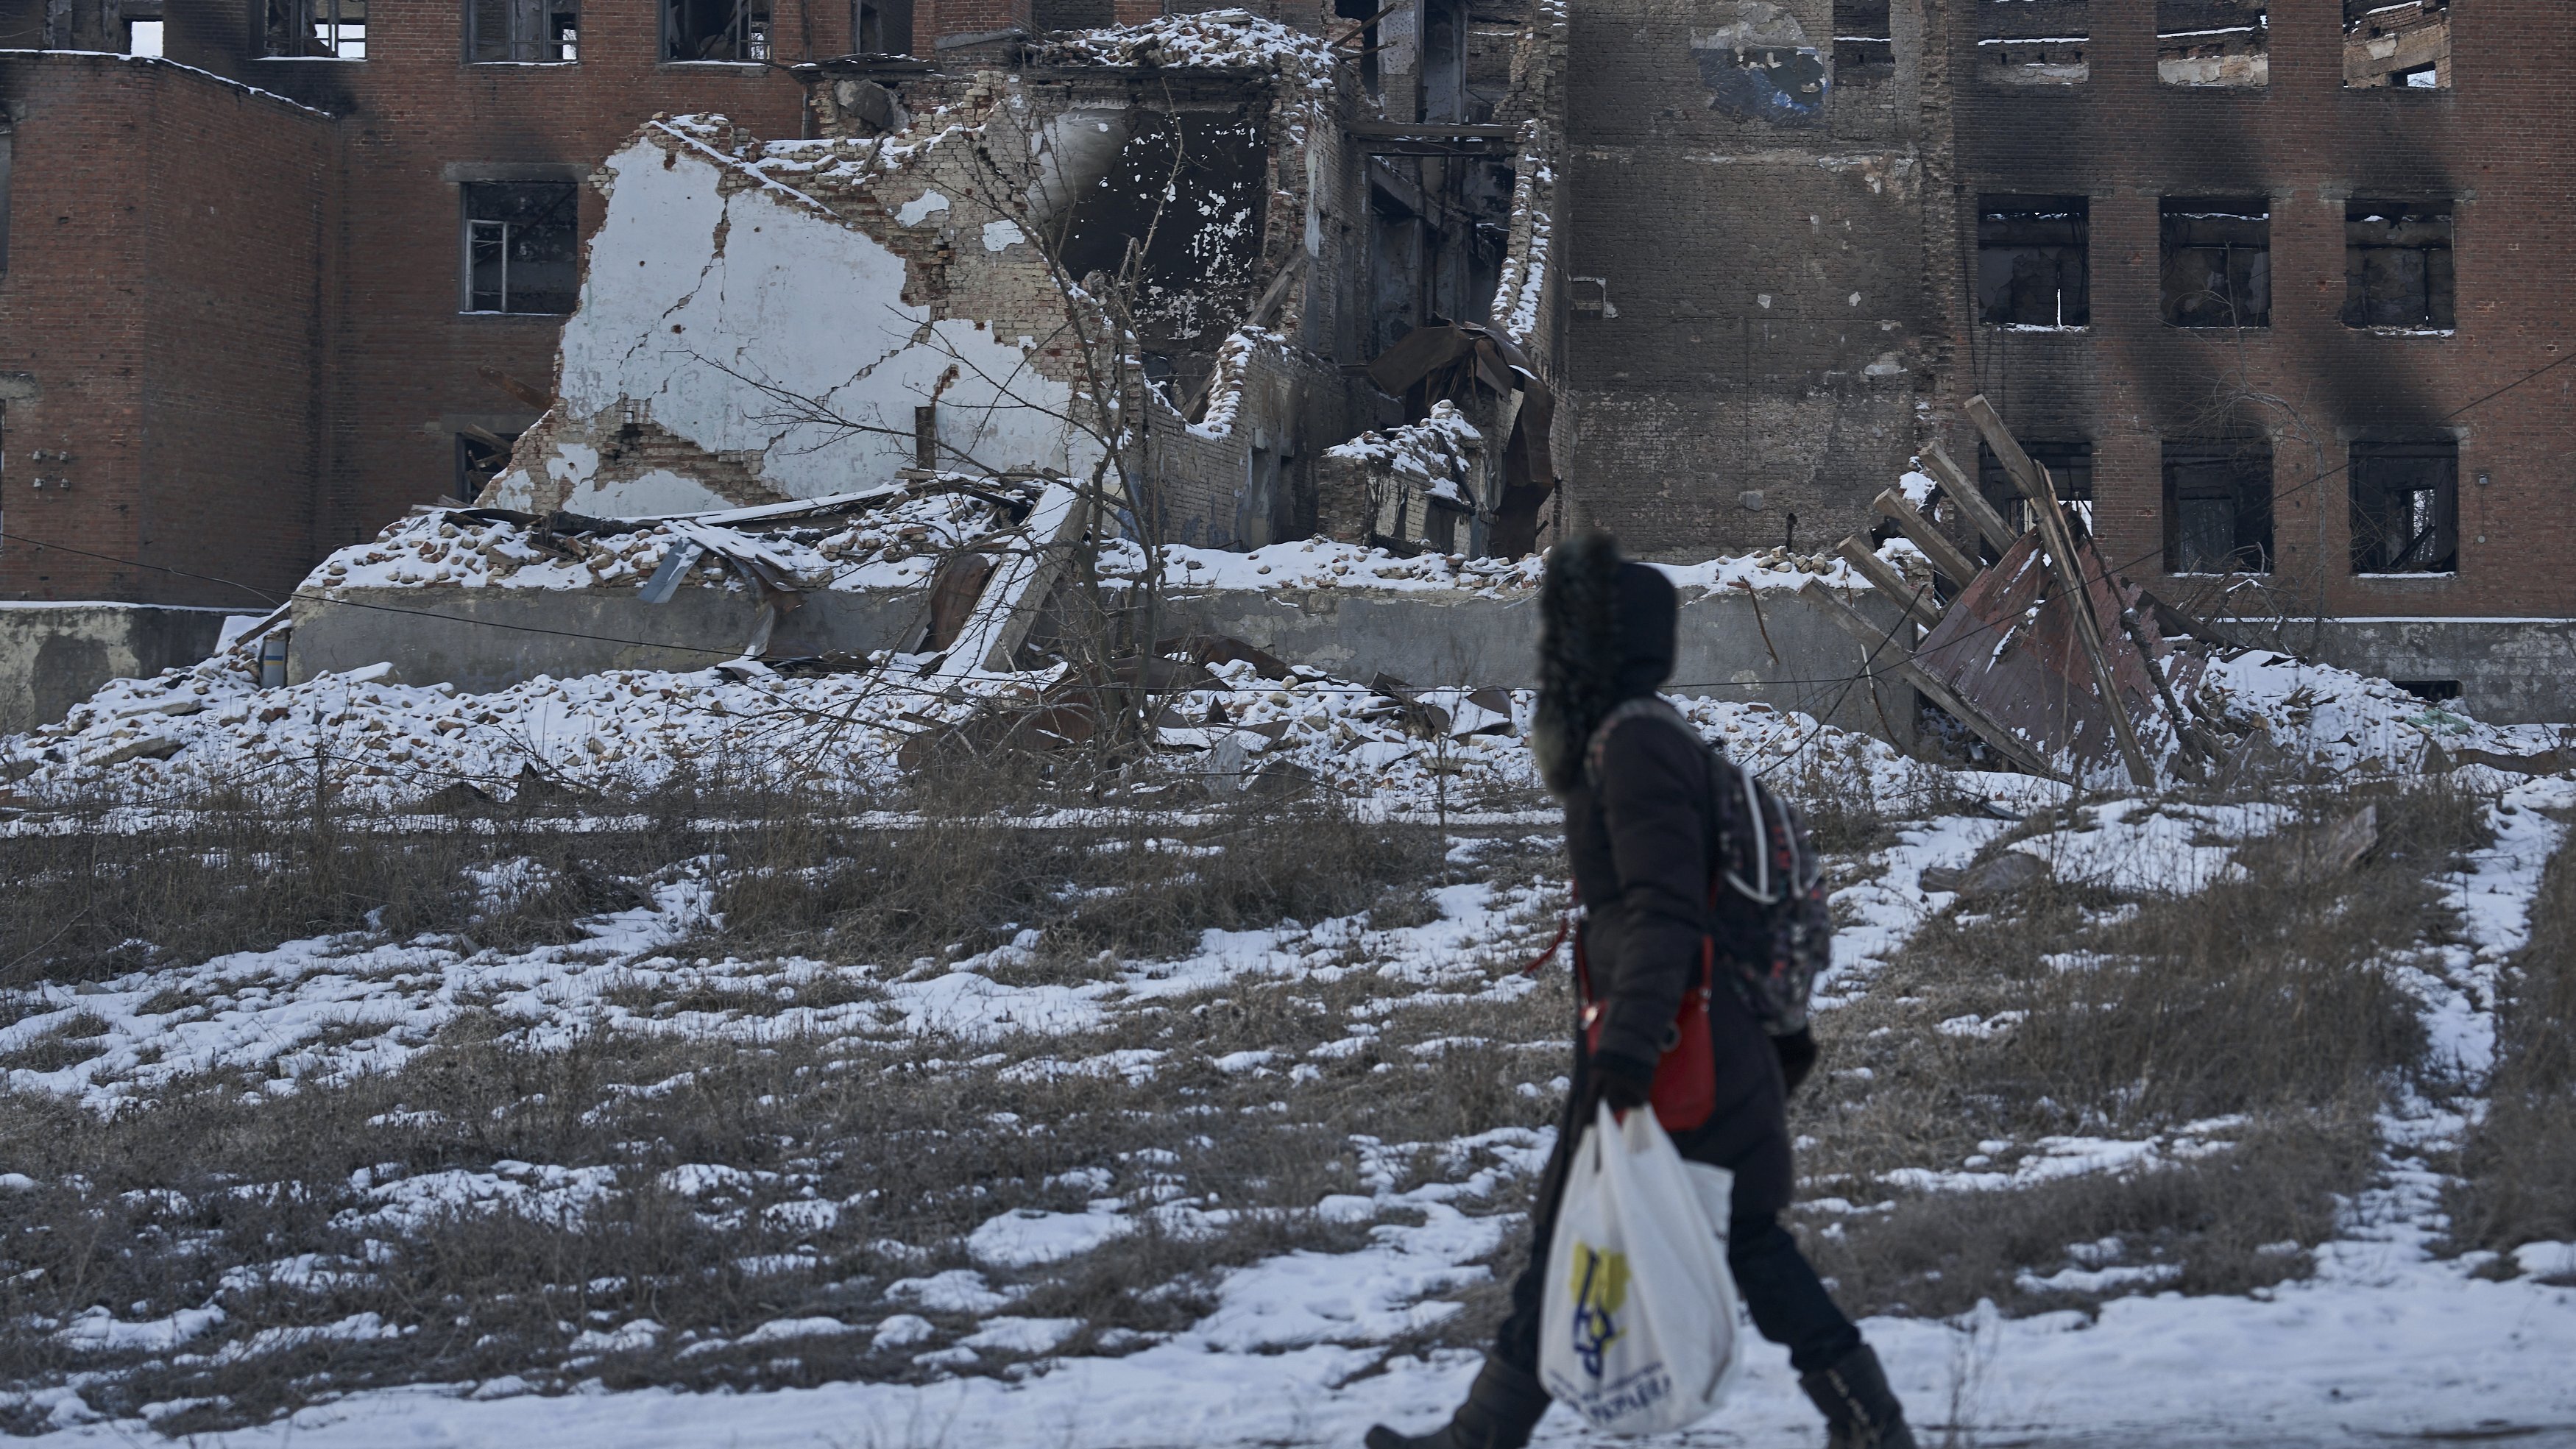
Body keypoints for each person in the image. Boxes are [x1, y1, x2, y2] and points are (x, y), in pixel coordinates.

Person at [1365, 533, 1916, 1449]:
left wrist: (1624, 1050)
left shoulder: (1635, 744)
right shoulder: (1636, 734)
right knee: (1606, 1231)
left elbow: (1665, 911)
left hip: (1672, 1044)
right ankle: (1478, 1439)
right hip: (1677, 1032)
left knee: (1725, 1236)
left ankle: (1873, 1427)